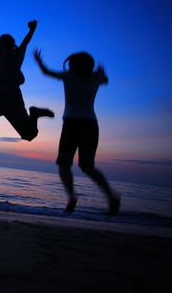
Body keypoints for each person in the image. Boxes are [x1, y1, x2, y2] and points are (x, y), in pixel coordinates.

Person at [34, 49, 121, 215]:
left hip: (72, 125)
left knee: (64, 164)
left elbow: (47, 72)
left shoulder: (69, 76)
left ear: (74, 65)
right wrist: (102, 73)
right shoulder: (95, 77)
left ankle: (72, 196)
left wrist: (39, 61)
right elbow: (106, 80)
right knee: (87, 166)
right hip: (90, 126)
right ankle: (111, 196)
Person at [0, 7, 53, 141]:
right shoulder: (18, 54)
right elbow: (25, 43)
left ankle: (33, 114)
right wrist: (31, 30)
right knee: (29, 134)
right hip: (12, 98)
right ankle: (34, 114)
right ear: (13, 45)